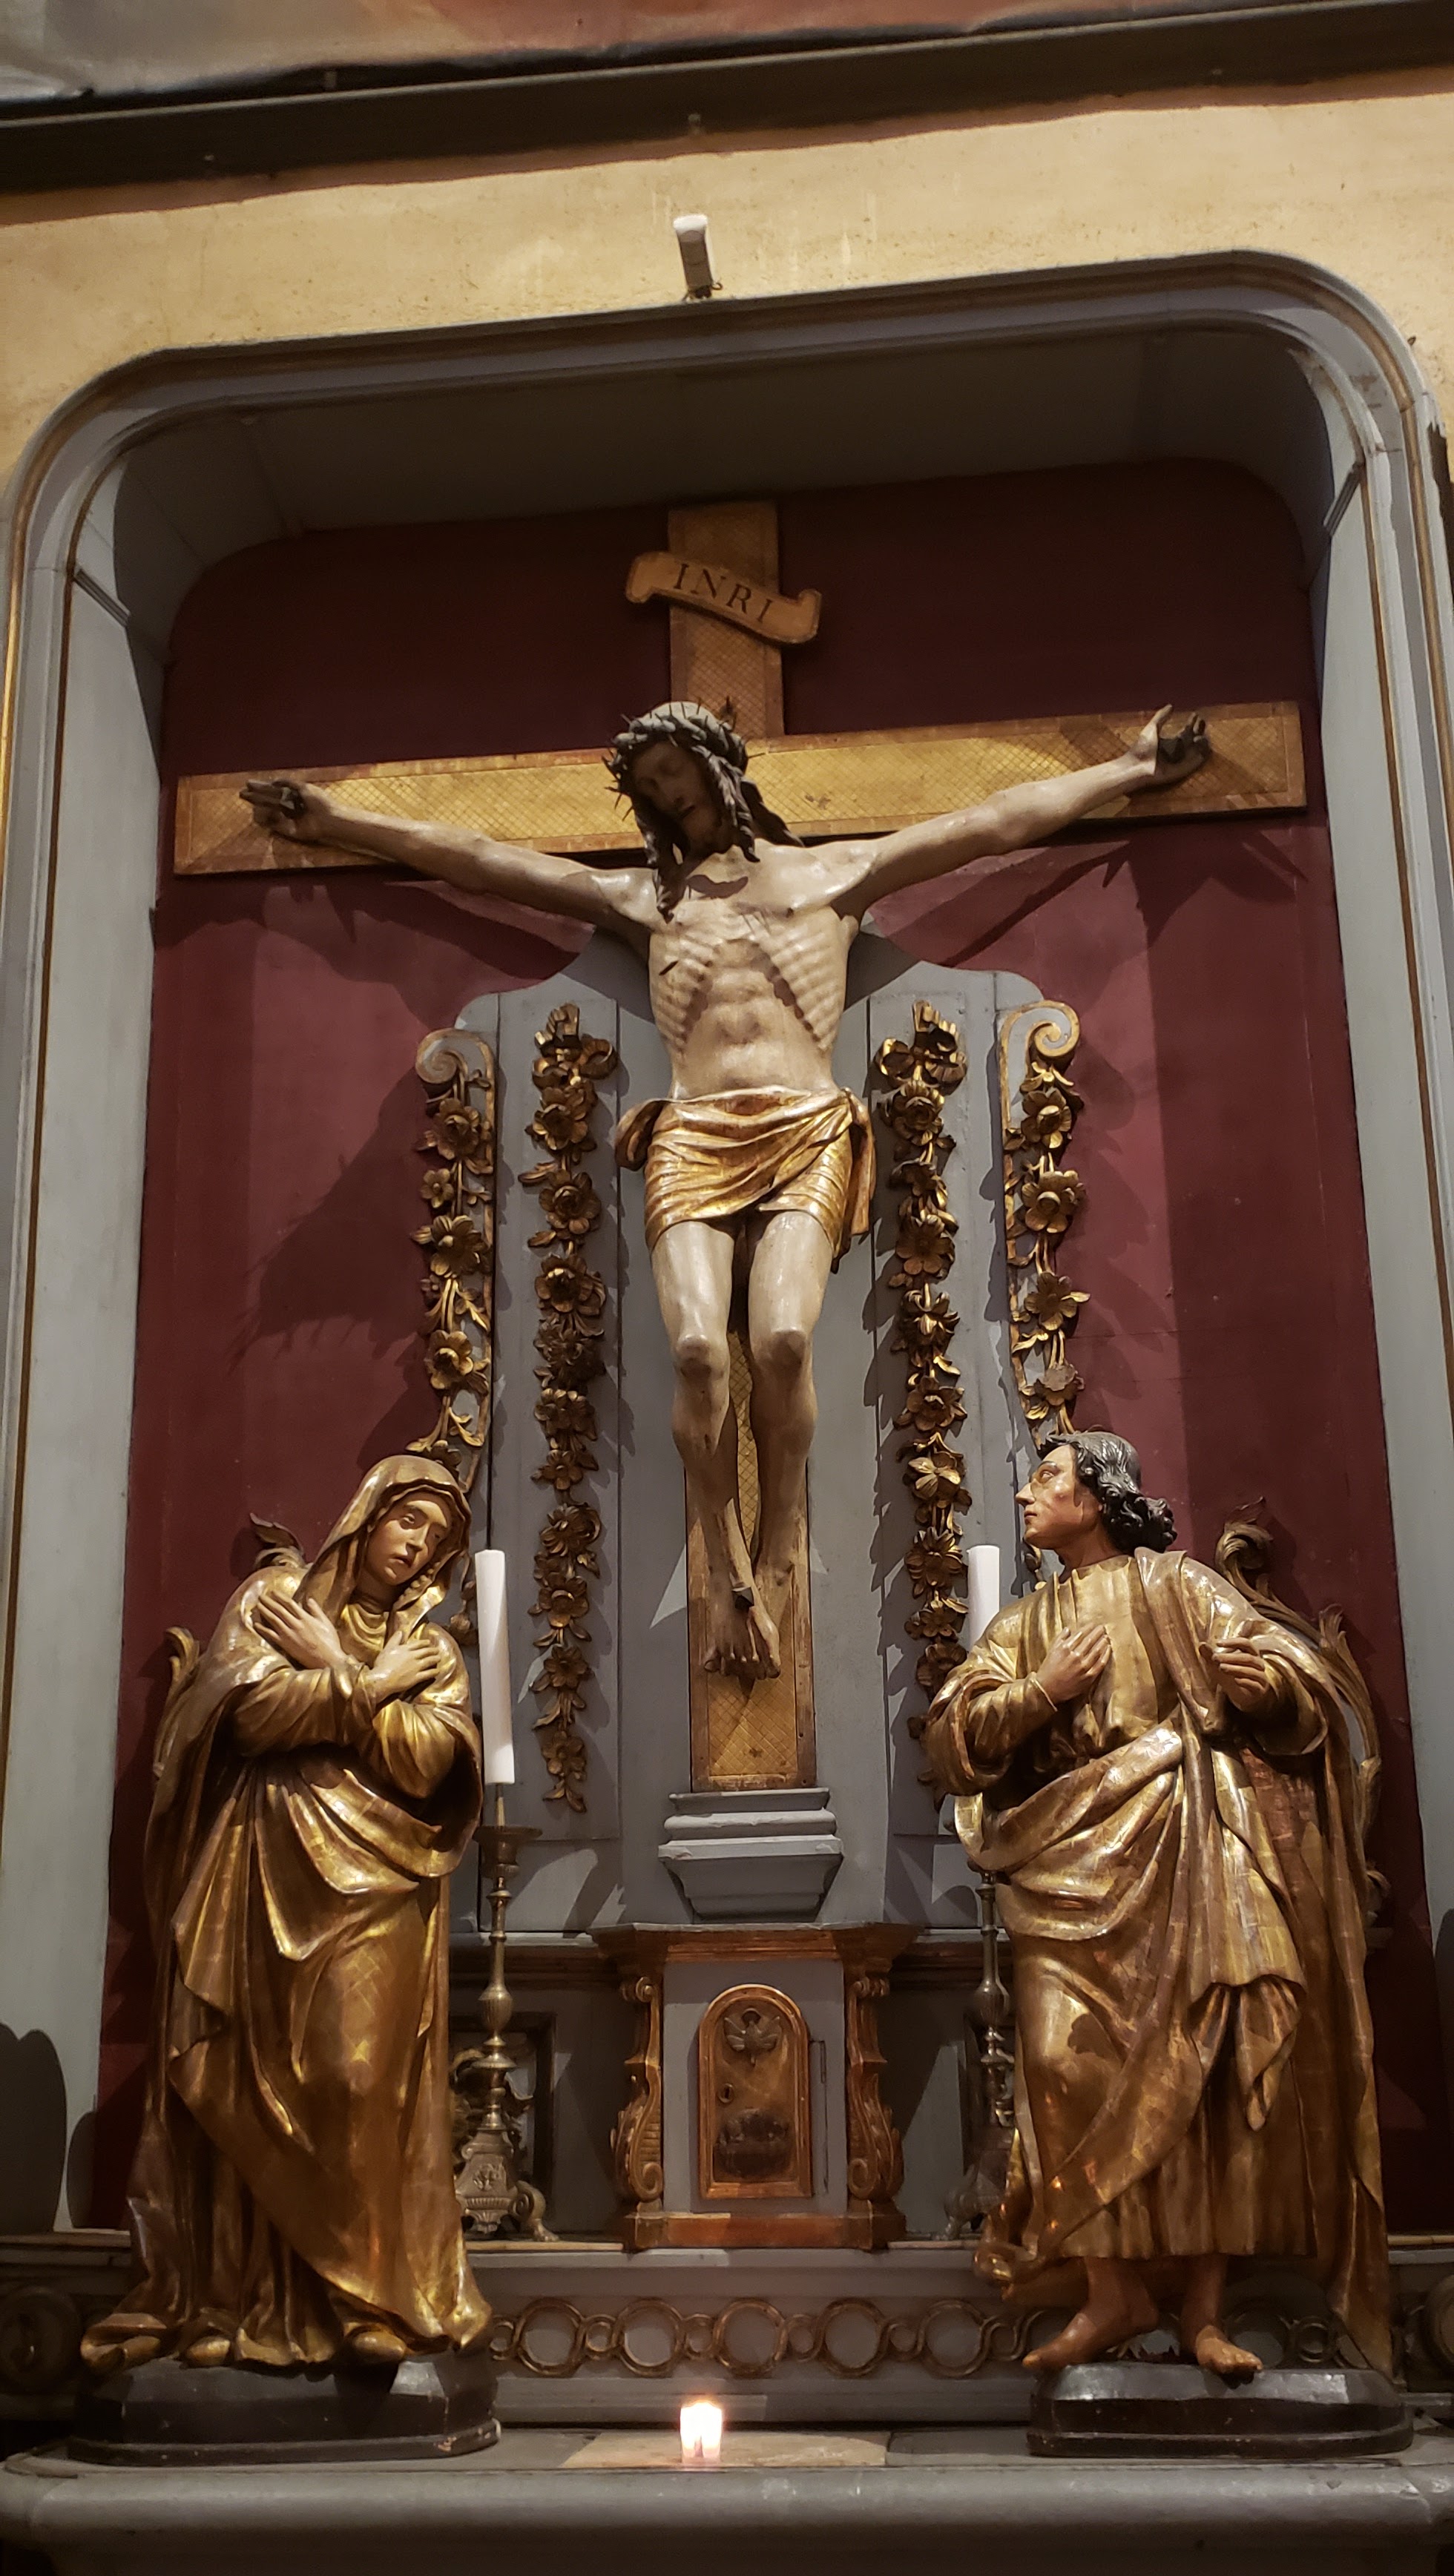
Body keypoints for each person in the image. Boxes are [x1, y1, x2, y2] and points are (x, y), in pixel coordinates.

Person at [243, 700, 1205, 1679]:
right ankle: (723, 1548)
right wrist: (338, 821)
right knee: (699, 1351)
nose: (673, 801)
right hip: (693, 1131)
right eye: (653, 792)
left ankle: (779, 1535)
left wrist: (1129, 770)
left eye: (679, 777)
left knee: (782, 1340)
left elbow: (989, 823)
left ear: (722, 772)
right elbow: (488, 861)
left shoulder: (837, 876)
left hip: (803, 1126)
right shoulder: (648, 904)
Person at [924, 1432, 1390, 2377]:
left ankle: (1204, 2311)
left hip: (1184, 1845)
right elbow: (953, 1737)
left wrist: (1266, 1689)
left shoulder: (1179, 1586)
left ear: (1098, 1496)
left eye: (1048, 1477)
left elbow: (1291, 1679)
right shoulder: (1025, 1622)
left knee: (1201, 2075)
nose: (1027, 1493)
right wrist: (1041, 1691)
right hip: (1064, 1861)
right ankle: (1112, 2293)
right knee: (1058, 2063)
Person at [82, 1456, 490, 2373]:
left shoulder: (434, 1651)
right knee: (247, 2074)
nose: (417, 1547)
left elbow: (423, 1764)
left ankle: (366, 2300)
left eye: (435, 1540)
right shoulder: (277, 1600)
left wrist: (336, 1672)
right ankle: (238, 2297)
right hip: (266, 1865)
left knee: (356, 2080)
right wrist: (370, 1686)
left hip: (380, 1884)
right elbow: (253, 1715)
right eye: (409, 1521)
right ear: (370, 1514)